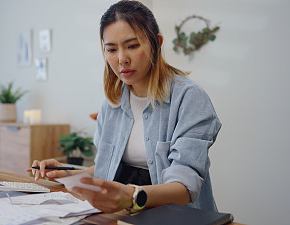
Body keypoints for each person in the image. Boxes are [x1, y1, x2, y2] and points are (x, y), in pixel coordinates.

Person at [27, 0, 221, 213]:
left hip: (177, 215)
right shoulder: (112, 103)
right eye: (111, 49)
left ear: (156, 43)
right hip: (124, 213)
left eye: (132, 46)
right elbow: (106, 169)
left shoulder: (189, 98)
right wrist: (67, 173)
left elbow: (184, 188)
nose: (121, 59)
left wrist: (132, 196)